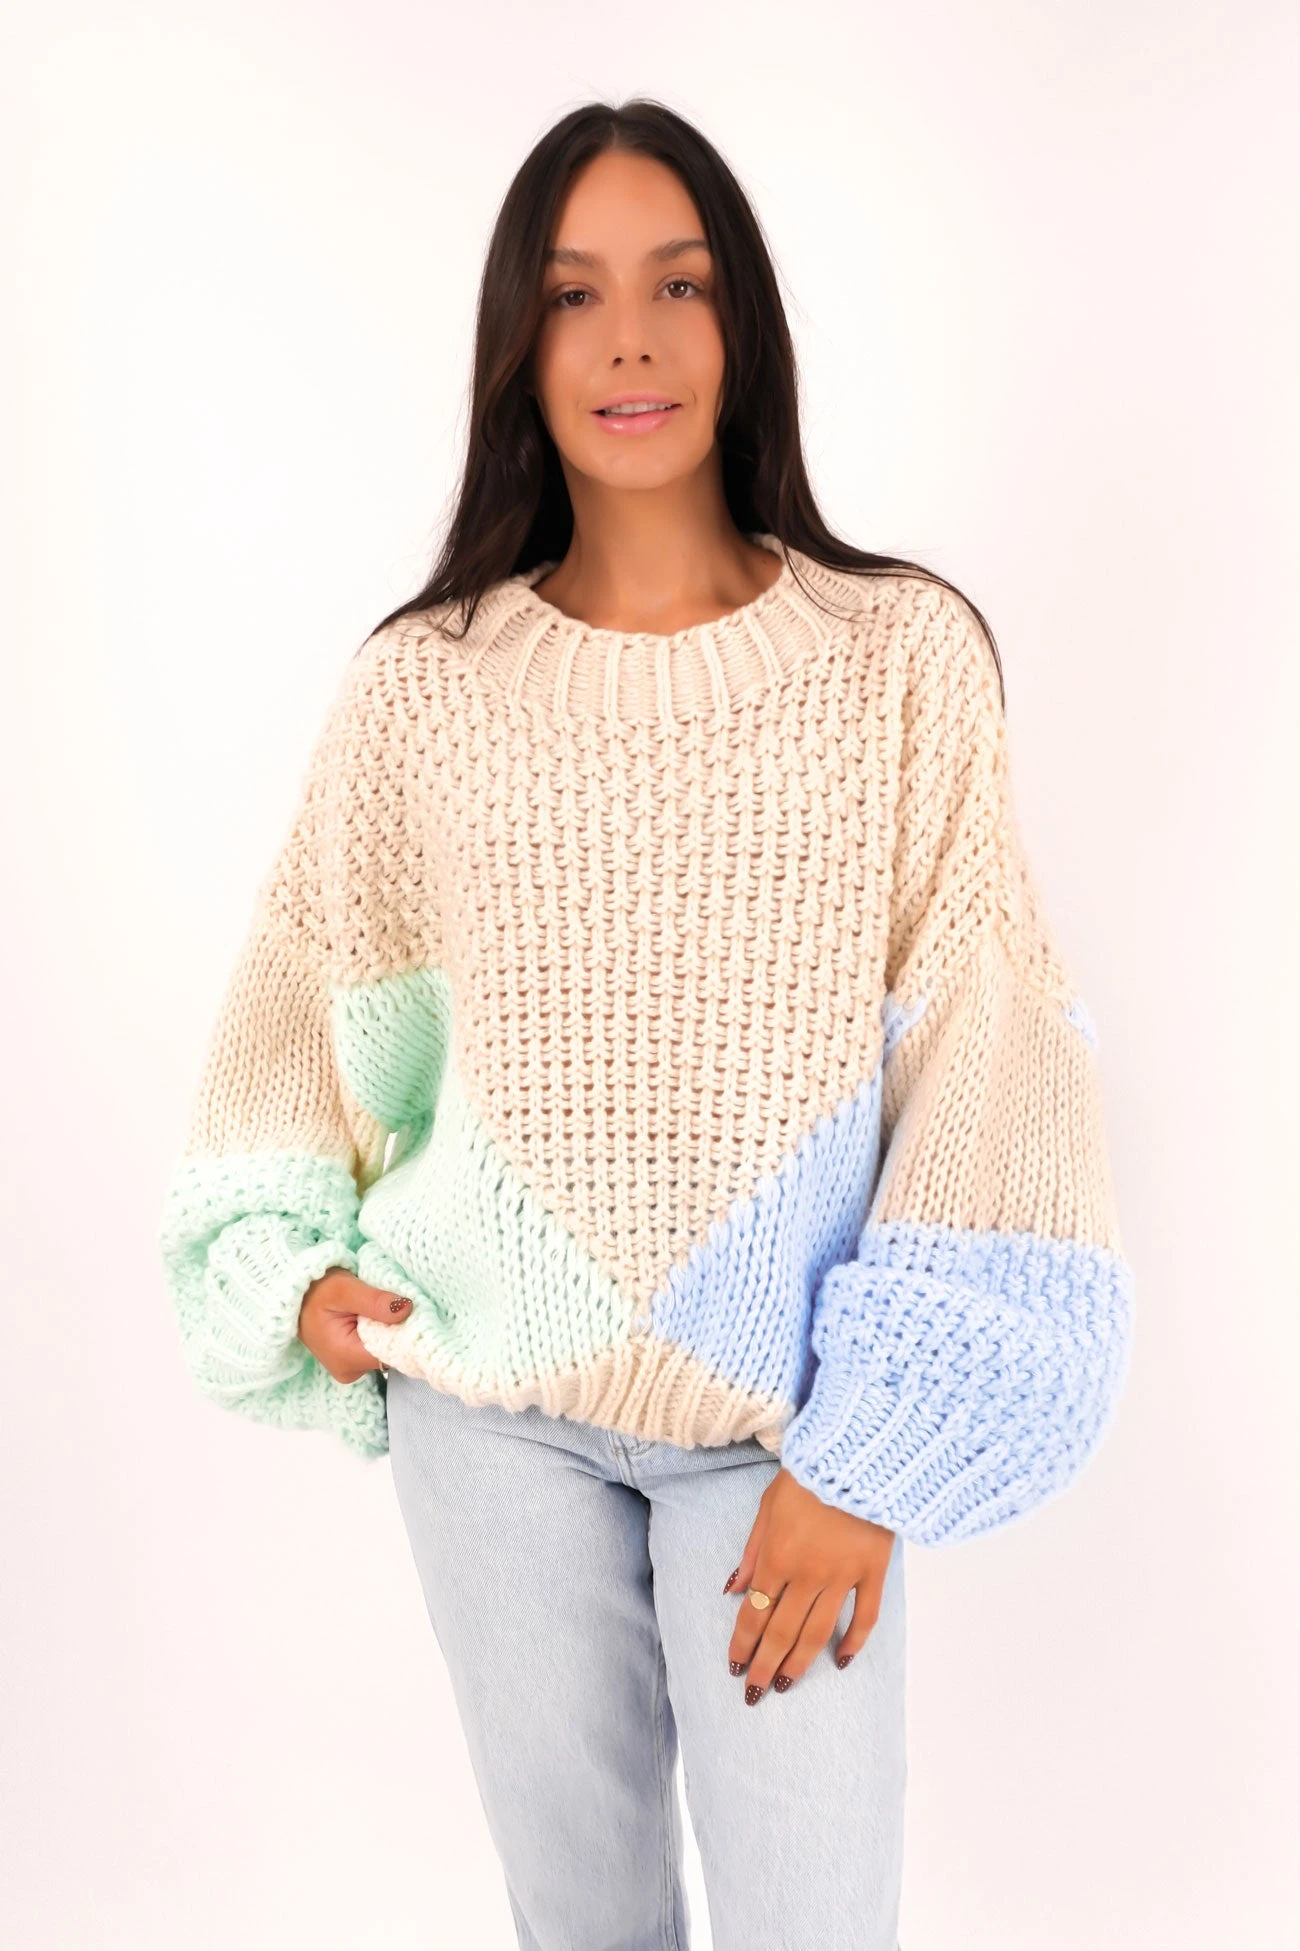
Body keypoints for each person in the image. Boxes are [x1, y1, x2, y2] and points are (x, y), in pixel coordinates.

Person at [158, 98, 1136, 1951]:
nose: (629, 340)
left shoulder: (900, 660)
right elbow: (304, 1001)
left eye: (678, 285)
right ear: (518, 348)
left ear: (739, 319)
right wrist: (289, 1268)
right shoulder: (420, 691)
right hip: (490, 1426)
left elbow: (990, 1053)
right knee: (583, 1923)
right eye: (574, 294)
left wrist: (868, 1455)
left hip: (789, 1434)